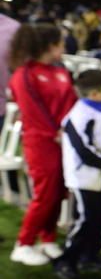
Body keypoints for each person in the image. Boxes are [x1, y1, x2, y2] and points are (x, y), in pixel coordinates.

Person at [8, 23, 77, 266]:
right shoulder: (24, 74)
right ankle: (23, 243)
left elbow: (71, 102)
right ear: (50, 45)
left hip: (64, 141)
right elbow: (32, 110)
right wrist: (54, 132)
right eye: (60, 43)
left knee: (59, 191)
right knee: (45, 193)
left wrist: (69, 130)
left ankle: (47, 239)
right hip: (41, 143)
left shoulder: (60, 71)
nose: (63, 47)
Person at [53, 69, 101, 279]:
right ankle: (66, 260)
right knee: (85, 219)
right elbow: (83, 150)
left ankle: (89, 256)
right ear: (96, 93)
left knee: (98, 218)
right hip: (84, 176)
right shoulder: (78, 115)